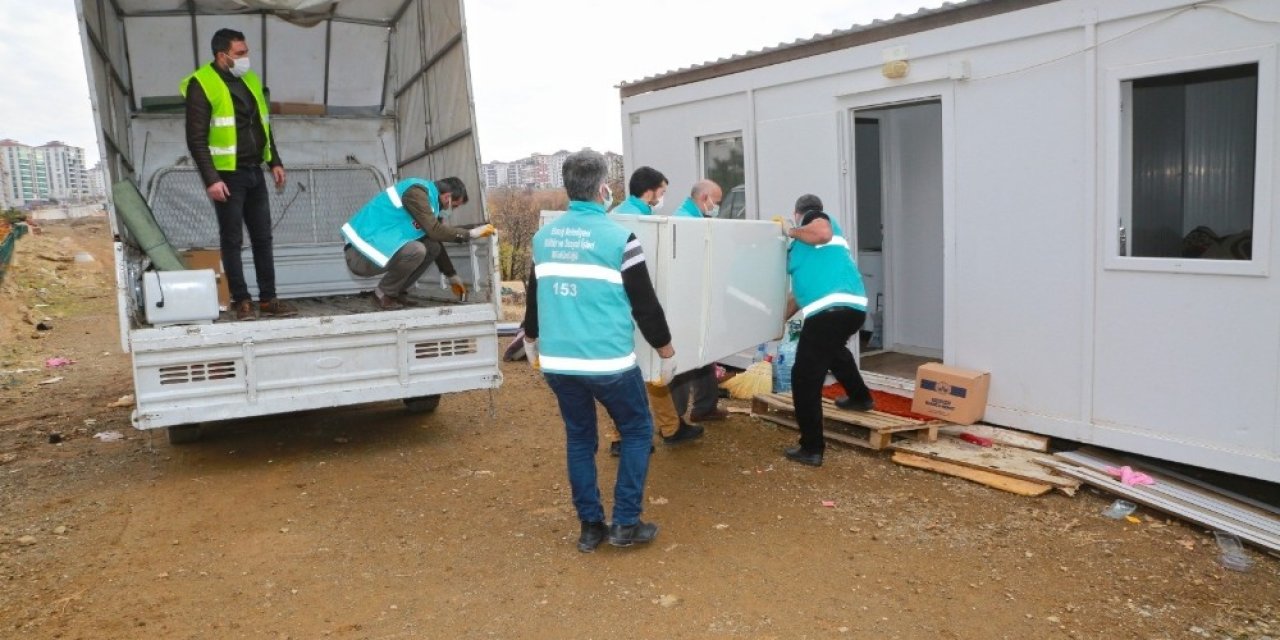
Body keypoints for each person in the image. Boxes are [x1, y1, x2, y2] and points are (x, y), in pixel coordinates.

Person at [521, 150, 678, 552]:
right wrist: (666, 349)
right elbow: (644, 303)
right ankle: (625, 523)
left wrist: (532, 338)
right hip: (608, 362)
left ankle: (590, 527)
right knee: (638, 430)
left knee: (579, 440)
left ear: (568, 187)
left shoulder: (543, 238)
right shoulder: (619, 238)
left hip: (559, 362)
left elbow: (535, 296)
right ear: (604, 188)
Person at [182, 28, 292, 321]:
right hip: (226, 176)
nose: (246, 58)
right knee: (232, 240)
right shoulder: (201, 84)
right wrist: (211, 179)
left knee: (263, 238)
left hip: (254, 171)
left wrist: (274, 162)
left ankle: (268, 299)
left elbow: (263, 125)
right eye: (240, 53)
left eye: (246, 51)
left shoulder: (250, 80)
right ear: (222, 56)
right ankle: (241, 300)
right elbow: (196, 139)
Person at [606, 166, 702, 455]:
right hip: (637, 308)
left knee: (635, 373)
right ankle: (633, 437)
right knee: (643, 372)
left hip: (615, 308)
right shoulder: (643, 222)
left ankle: (664, 428)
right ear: (649, 191)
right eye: (661, 191)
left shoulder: (614, 216)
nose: (662, 197)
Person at [779, 194, 873, 467]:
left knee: (804, 377)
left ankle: (811, 448)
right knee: (833, 352)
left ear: (797, 213)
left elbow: (820, 232)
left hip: (830, 313)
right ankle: (860, 397)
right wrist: (777, 323)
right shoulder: (806, 252)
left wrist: (791, 230)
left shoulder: (812, 221)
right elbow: (798, 296)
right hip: (850, 309)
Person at [341, 177, 494, 310]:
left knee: (431, 248)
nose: (451, 210)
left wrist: (451, 275)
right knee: (417, 249)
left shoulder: (430, 205)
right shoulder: (416, 192)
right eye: (454, 205)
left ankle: (395, 292)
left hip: (373, 250)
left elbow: (434, 240)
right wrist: (470, 234)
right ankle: (383, 293)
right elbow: (435, 230)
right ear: (447, 197)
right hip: (359, 253)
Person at [667, 179, 729, 424]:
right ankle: (675, 419)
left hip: (698, 300)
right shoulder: (684, 222)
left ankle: (705, 407)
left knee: (704, 353)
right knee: (683, 360)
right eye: (718, 202)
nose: (718, 207)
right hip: (685, 303)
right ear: (705, 199)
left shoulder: (696, 220)